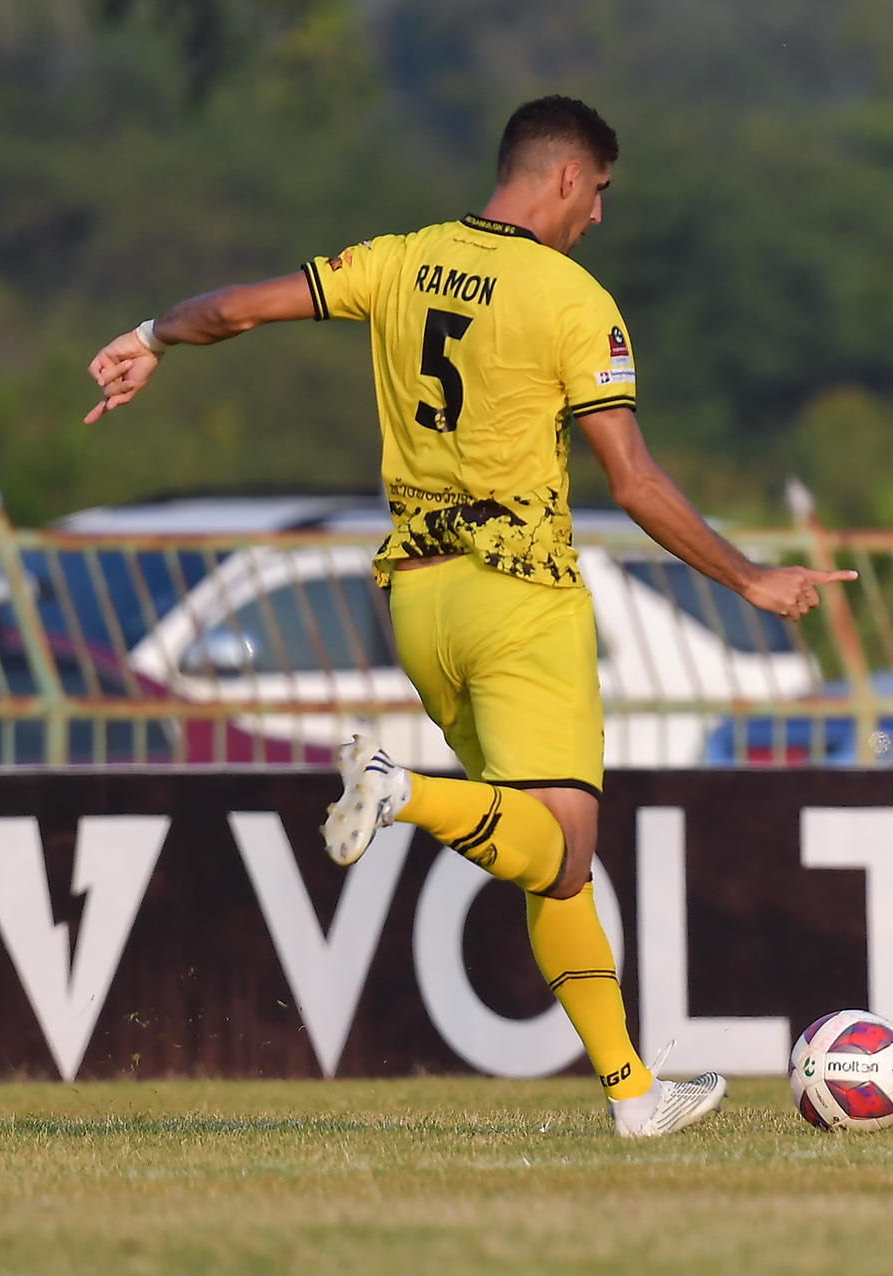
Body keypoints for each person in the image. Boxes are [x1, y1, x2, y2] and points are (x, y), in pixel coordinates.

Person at [85, 94, 853, 1138]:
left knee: (544, 851)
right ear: (568, 177)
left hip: (418, 601)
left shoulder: (399, 259)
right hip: (520, 595)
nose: (599, 216)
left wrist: (148, 336)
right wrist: (748, 576)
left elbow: (236, 311)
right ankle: (399, 791)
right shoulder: (573, 298)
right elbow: (632, 479)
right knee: (563, 850)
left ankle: (633, 1093)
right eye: (600, 193)